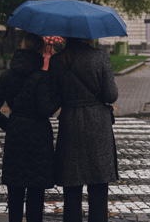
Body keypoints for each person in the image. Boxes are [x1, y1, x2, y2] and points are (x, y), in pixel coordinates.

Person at [0, 33, 61, 222]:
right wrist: (58, 97)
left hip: (16, 136)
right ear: (41, 51)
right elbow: (45, 110)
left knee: (15, 194)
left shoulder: (8, 75)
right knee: (35, 195)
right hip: (39, 138)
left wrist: (9, 125)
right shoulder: (42, 78)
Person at [48, 37, 118, 222]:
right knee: (98, 184)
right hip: (98, 125)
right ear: (87, 37)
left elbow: (53, 95)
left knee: (71, 185)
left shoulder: (57, 60)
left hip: (70, 124)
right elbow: (111, 95)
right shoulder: (100, 57)